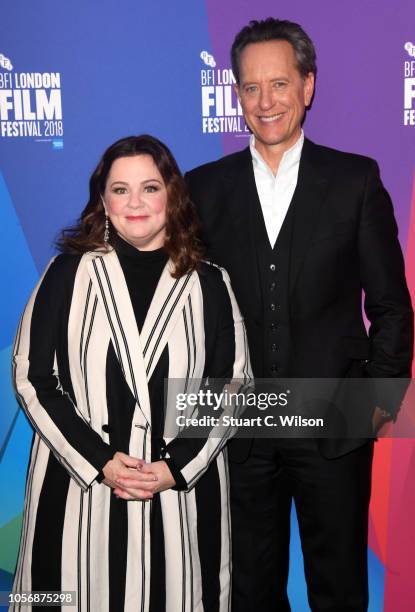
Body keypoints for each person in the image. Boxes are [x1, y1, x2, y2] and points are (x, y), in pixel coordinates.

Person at [185, 18, 414, 612]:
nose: (266, 102)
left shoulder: (354, 180)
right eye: (252, 87)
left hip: (335, 425)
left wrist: (375, 403)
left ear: (308, 86)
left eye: (280, 84)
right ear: (236, 94)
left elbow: (390, 304)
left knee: (338, 588)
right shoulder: (203, 189)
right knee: (249, 592)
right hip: (240, 430)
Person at [12, 134, 251, 612]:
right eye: (120, 190)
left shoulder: (209, 282)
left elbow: (229, 388)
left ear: (173, 195)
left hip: (177, 491)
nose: (135, 202)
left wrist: (174, 469)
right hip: (79, 487)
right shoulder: (65, 273)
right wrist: (100, 460)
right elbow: (32, 379)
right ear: (103, 200)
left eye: (150, 187)